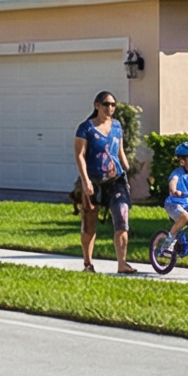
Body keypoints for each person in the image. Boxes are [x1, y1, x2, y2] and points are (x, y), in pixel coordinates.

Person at [73, 90, 136, 275]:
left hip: (116, 181)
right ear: (97, 106)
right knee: (89, 223)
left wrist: (126, 170)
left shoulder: (117, 126)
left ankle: (122, 264)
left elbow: (119, 151)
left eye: (113, 105)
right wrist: (85, 181)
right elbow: (79, 155)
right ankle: (88, 263)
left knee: (122, 218)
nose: (110, 108)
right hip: (93, 181)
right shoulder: (86, 128)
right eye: (107, 104)